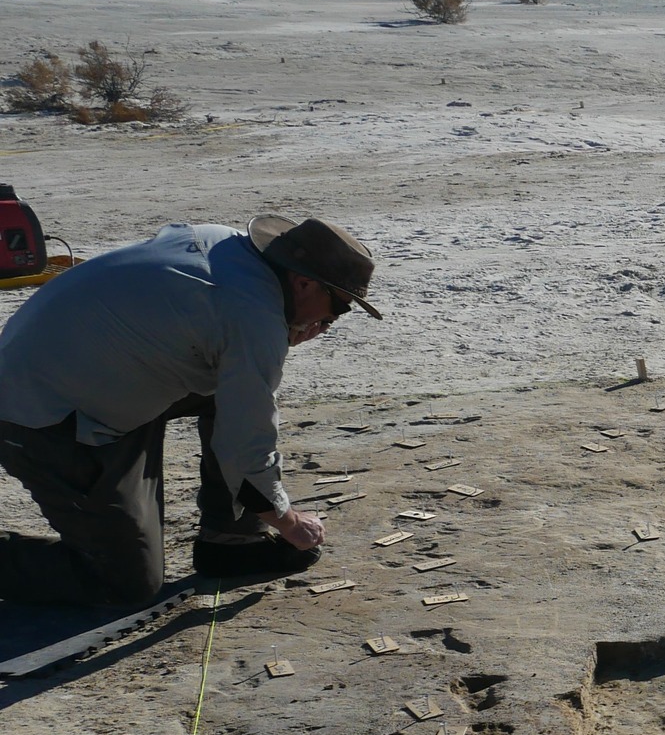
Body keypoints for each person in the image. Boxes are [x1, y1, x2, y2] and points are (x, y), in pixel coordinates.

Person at [0, 214, 381, 607]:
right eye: (338, 308)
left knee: (234, 387)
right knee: (122, 586)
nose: (329, 322)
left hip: (79, 370)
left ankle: (231, 542)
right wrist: (288, 521)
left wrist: (273, 338)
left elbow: (201, 327)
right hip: (42, 416)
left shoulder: (225, 243)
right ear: (303, 283)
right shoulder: (252, 317)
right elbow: (245, 441)